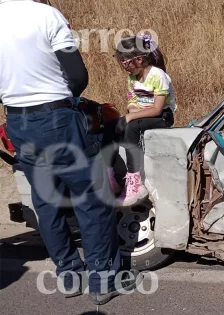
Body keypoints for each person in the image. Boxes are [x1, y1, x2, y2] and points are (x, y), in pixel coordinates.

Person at [0, 0, 140, 305]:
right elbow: (77, 77)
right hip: (58, 119)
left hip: (17, 122)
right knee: (92, 199)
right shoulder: (45, 15)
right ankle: (102, 281)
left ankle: (68, 275)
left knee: (47, 202)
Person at [102, 35, 176, 207]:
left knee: (131, 128)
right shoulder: (132, 78)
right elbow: (132, 103)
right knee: (112, 125)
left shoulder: (158, 76)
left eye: (125, 62)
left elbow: (157, 109)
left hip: (161, 117)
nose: (124, 67)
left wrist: (131, 116)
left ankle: (135, 181)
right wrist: (131, 114)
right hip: (142, 114)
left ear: (139, 59)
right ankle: (109, 174)